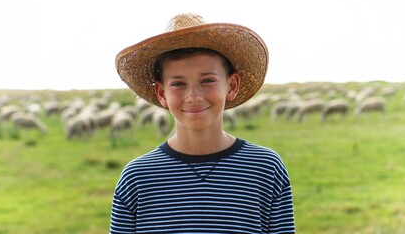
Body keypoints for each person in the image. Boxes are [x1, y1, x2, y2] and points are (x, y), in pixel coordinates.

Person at [110, 13, 295, 234]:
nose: (193, 96)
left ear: (232, 85)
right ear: (161, 93)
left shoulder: (266, 169)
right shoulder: (137, 178)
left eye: (207, 80)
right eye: (178, 83)